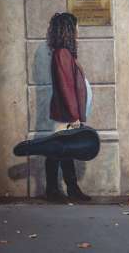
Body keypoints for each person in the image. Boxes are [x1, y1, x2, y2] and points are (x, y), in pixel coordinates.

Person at [46, 12, 92, 202]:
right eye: (76, 27)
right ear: (68, 30)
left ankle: (71, 189)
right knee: (56, 151)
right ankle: (54, 191)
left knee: (64, 150)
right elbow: (66, 88)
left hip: (66, 113)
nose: (78, 31)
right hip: (65, 114)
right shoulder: (62, 54)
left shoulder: (63, 53)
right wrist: (74, 116)